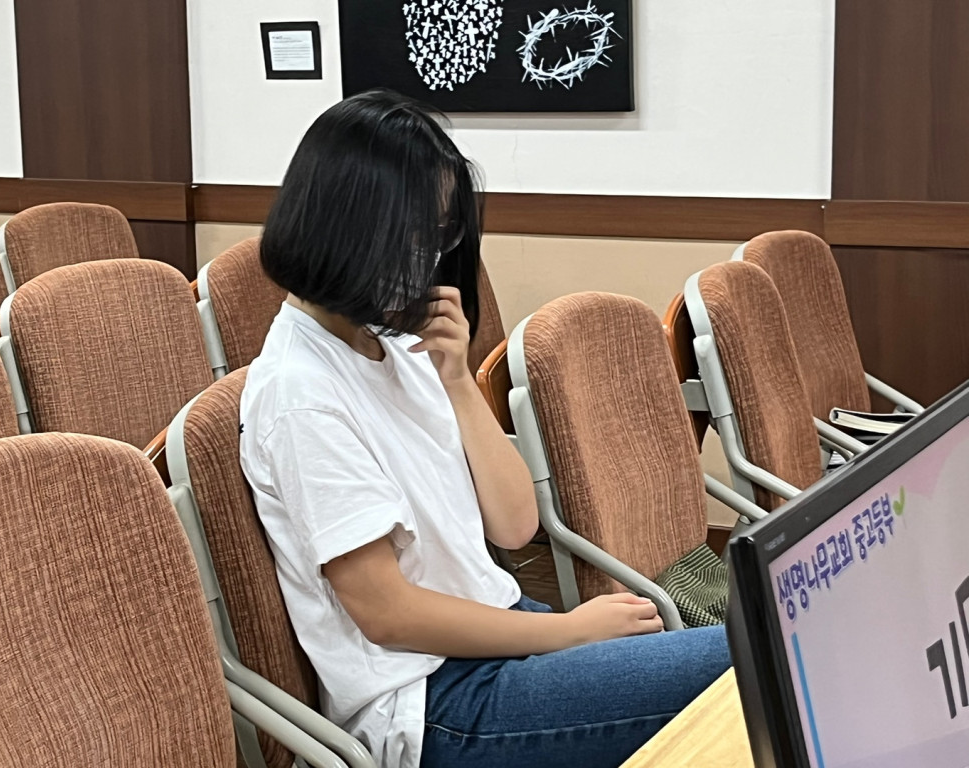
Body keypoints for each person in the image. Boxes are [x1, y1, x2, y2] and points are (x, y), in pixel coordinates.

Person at [239, 89, 730, 768]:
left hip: (499, 634)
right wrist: (566, 633)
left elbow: (514, 526)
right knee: (747, 660)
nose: (427, 258)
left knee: (749, 655)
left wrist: (459, 381)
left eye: (439, 233)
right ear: (347, 225)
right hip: (434, 703)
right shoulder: (300, 395)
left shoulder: (390, 345)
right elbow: (387, 614)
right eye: (414, 234)